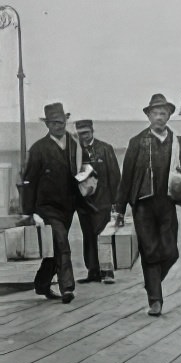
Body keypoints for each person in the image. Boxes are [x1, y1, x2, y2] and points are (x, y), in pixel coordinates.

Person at [112, 93, 181, 317]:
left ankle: (153, 283)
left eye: (164, 113)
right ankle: (155, 300)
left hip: (167, 203)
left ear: (169, 116)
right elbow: (127, 177)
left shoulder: (178, 141)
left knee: (171, 252)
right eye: (155, 113)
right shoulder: (138, 142)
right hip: (143, 205)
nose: (160, 117)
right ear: (149, 115)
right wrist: (119, 210)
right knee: (149, 251)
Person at [20, 102, 81, 304]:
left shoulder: (75, 144)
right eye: (54, 122)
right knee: (62, 242)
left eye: (62, 121)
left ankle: (42, 283)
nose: (59, 125)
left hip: (68, 206)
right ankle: (68, 288)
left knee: (54, 247)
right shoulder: (38, 149)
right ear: (47, 124)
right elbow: (28, 181)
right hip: (46, 207)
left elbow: (86, 167)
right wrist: (28, 211)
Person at [74, 119, 121, 284]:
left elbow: (115, 175)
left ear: (92, 131)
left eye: (86, 133)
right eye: (80, 134)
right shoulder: (75, 152)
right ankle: (92, 271)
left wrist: (116, 201)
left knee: (103, 236)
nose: (84, 137)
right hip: (83, 203)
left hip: (102, 201)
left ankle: (107, 271)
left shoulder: (105, 149)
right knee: (88, 237)